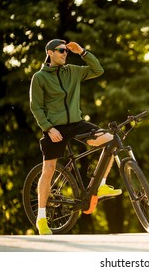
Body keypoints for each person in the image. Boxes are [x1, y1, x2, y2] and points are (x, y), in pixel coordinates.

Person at [29, 39, 121, 235]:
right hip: (55, 128)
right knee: (49, 169)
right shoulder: (39, 78)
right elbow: (35, 107)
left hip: (77, 123)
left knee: (111, 140)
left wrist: (82, 52)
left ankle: (101, 186)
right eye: (61, 51)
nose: (64, 54)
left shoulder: (73, 71)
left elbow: (98, 70)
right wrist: (48, 128)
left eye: (66, 51)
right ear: (50, 52)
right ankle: (41, 218)